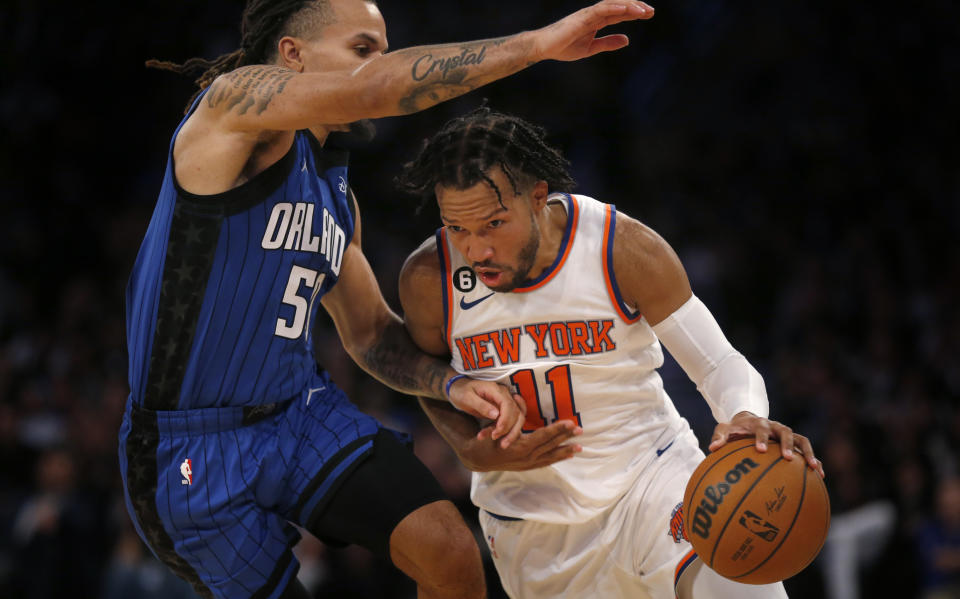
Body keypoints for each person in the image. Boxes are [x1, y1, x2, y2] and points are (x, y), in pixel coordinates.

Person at [119, 1, 657, 598]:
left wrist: (453, 385)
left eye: (382, 48)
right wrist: (536, 45)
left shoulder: (333, 196)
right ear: (292, 55)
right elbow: (377, 90)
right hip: (190, 447)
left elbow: (372, 334)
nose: (380, 63)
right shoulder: (229, 109)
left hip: (299, 414)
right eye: (362, 48)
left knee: (450, 554)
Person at [395, 106, 826, 599]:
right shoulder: (429, 279)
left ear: (538, 198)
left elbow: (719, 363)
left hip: (650, 479)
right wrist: (464, 443)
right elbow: (422, 374)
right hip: (532, 521)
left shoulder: (620, 248)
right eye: (457, 228)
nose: (476, 249)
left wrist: (744, 412)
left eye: (493, 223)